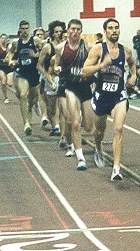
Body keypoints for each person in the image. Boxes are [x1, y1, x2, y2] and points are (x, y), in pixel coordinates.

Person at [82, 18, 136, 181]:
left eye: (116, 28)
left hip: (118, 96)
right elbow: (84, 71)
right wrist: (101, 65)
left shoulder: (126, 51)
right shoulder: (98, 49)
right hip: (101, 97)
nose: (114, 30)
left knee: (118, 129)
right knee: (99, 131)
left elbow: (132, 64)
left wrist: (133, 76)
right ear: (105, 31)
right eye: (111, 28)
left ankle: (116, 169)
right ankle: (98, 147)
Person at [55, 18, 94, 171]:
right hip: (70, 87)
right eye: (73, 29)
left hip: (85, 87)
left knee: (89, 126)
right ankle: (80, 157)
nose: (75, 32)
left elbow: (94, 62)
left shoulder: (88, 47)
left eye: (78, 29)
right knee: (75, 122)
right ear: (68, 31)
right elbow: (56, 64)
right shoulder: (60, 48)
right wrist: (57, 69)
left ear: (81, 31)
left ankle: (80, 146)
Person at [8, 20, 42, 135]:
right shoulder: (16, 43)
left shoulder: (36, 40)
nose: (25, 30)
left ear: (29, 29)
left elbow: (43, 53)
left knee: (32, 99)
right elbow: (11, 54)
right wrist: (11, 61)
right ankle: (26, 123)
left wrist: (35, 55)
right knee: (23, 95)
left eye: (27, 28)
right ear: (19, 29)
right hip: (22, 72)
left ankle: (31, 107)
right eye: (22, 28)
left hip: (34, 73)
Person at [37, 20, 66, 134]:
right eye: (56, 31)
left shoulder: (66, 46)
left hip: (63, 78)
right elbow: (39, 65)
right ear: (52, 33)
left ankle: (58, 126)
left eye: (60, 31)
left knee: (62, 104)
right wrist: (45, 76)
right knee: (51, 106)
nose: (59, 33)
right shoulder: (47, 47)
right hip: (50, 77)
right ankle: (53, 122)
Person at [0, 33, 13, 103]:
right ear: (0, 39)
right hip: (1, 67)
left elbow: (13, 55)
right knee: (3, 82)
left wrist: (10, 60)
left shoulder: (10, 47)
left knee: (10, 84)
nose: (3, 40)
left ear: (7, 39)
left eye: (5, 38)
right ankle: (6, 97)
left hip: (9, 67)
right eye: (2, 38)